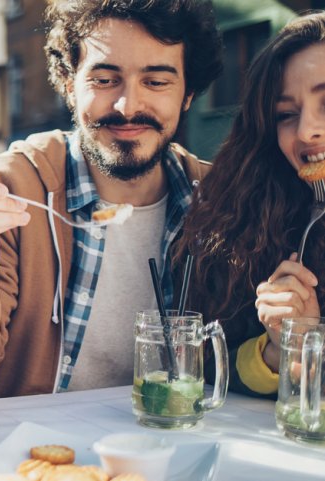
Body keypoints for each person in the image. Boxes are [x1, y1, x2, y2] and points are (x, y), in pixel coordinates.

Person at [0, 0, 222, 398]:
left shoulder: (218, 201)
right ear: (68, 84)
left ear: (188, 94)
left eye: (156, 82)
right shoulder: (15, 187)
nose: (127, 106)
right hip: (34, 450)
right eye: (104, 79)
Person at [178, 11, 325, 399]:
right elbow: (211, 368)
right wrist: (284, 346)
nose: (307, 129)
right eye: (286, 115)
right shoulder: (260, 226)